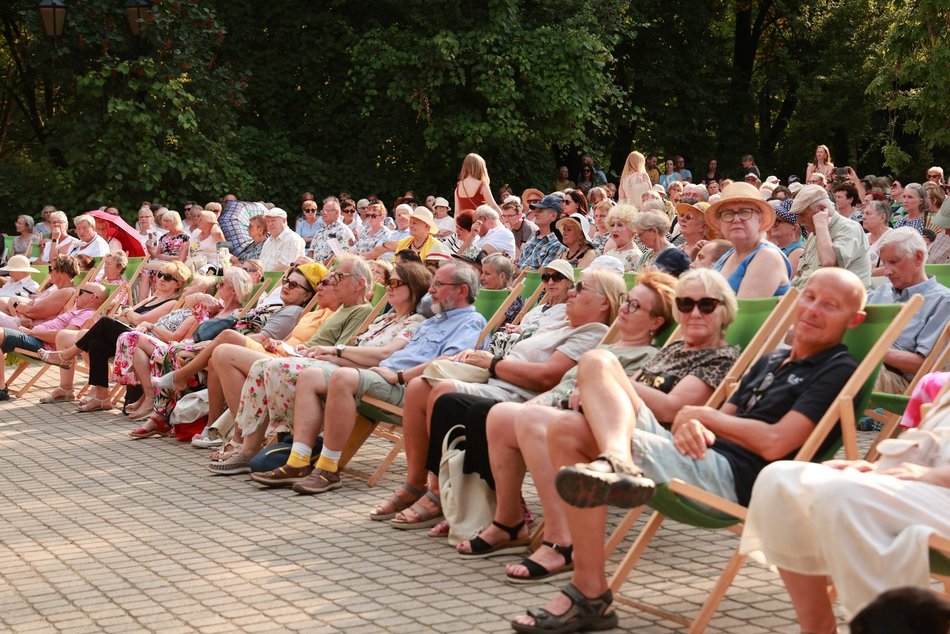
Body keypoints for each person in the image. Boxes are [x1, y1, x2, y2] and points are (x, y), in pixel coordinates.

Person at [516, 268, 867, 633]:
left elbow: (776, 441)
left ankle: (589, 584)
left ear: (854, 320)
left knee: (593, 374)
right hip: (702, 456)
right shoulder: (770, 361)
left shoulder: (837, 368)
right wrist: (697, 423)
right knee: (575, 405)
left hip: (735, 480)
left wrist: (699, 415)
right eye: (809, 298)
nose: (813, 310)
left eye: (830, 305)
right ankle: (593, 577)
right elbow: (720, 418)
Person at [459, 271, 676, 582]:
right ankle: (509, 522)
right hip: (552, 407)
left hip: (588, 425)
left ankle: (561, 540)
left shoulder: (648, 356)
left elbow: (627, 401)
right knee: (500, 416)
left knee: (524, 418)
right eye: (627, 302)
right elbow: (561, 384)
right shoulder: (605, 348)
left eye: (636, 307)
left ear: (656, 322)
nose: (625, 309)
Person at [376, 269, 624, 529]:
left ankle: (440, 494)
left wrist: (493, 363)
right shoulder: (559, 319)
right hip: (498, 379)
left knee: (444, 392)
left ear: (604, 301)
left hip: (519, 394)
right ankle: (416, 484)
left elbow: (547, 378)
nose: (569, 292)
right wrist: (479, 359)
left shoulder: (593, 332)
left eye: (580, 288)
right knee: (418, 388)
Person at [739, 386, 950, 632]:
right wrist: (878, 469)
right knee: (779, 479)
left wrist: (933, 475)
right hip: (927, 488)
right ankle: (818, 628)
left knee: (844, 494)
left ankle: (879, 627)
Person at [285, 263, 486, 496]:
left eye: (439, 285)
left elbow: (448, 362)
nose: (431, 290)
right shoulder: (432, 321)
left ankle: (328, 469)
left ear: (462, 291)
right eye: (432, 284)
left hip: (409, 387)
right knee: (310, 374)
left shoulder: (470, 322)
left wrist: (400, 375)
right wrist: (337, 356)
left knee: (342, 378)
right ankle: (298, 459)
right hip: (383, 375)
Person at [223, 262, 432, 480]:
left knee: (278, 367)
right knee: (261, 366)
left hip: (364, 375)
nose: (388, 287)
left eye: (396, 283)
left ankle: (286, 435)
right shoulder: (385, 319)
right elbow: (357, 350)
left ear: (415, 288)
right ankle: (249, 445)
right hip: (343, 366)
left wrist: (336, 352)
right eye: (388, 281)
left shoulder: (415, 322)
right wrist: (327, 354)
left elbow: (383, 356)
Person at [38, 261, 191, 412]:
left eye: (169, 277)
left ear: (178, 284)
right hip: (127, 336)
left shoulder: (171, 303)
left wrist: (130, 313)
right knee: (96, 343)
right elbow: (123, 316)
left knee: (105, 322)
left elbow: (136, 319)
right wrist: (129, 314)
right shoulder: (150, 299)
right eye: (160, 274)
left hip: (140, 339)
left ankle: (67, 355)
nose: (162, 279)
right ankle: (102, 396)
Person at [867, 228, 950, 393]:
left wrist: (870, 349)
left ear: (918, 257)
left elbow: (925, 364)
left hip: (901, 380)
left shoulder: (942, 301)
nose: (887, 271)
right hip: (869, 364)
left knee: (838, 368)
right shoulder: (883, 291)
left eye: (894, 262)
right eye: (885, 263)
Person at [0, 281, 109, 401]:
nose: (76, 295)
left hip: (42, 345)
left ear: (92, 297)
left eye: (81, 292)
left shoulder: (87, 314)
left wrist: (32, 332)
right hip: (35, 338)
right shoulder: (77, 311)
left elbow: (64, 336)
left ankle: (1, 389)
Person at [708, 182, 791, 297]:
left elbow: (742, 313)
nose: (736, 219)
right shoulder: (730, 254)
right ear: (720, 222)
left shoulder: (767, 256)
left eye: (744, 212)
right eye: (728, 213)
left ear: (760, 220)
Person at [790, 184, 871, 289]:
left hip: (843, 301)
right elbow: (801, 275)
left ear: (822, 209)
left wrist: (821, 225)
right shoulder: (814, 234)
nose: (798, 220)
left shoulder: (849, 228)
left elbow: (829, 264)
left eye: (802, 214)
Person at [490, 259, 573, 358]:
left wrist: (523, 332)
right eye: (546, 277)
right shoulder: (538, 309)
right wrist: (515, 329)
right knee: (501, 335)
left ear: (569, 281)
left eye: (557, 277)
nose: (550, 282)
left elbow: (554, 339)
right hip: (519, 352)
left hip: (537, 356)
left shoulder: (568, 312)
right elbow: (523, 328)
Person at [0, 255, 80, 326]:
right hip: (23, 321)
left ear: (63, 273)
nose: (49, 273)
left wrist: (15, 304)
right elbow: (31, 305)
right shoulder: (55, 288)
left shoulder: (65, 292)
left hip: (31, 327)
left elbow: (32, 312)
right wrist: (19, 310)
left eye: (51, 269)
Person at [141, 210, 189, 297]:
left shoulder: (185, 236)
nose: (164, 223)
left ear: (175, 221)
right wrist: (149, 247)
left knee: (159, 272)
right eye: (164, 221)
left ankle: (158, 299)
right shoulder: (164, 236)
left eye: (167, 221)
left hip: (176, 265)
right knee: (145, 272)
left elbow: (183, 257)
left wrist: (166, 257)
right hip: (163, 263)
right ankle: (141, 303)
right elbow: (157, 254)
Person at [518, 195, 566, 270]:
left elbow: (541, 277)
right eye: (536, 210)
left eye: (540, 211)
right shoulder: (534, 235)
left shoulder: (557, 244)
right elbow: (519, 264)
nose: (535, 214)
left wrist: (515, 271)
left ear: (553, 216)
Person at [308, 197, 356, 263]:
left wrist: (322, 266)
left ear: (336, 212)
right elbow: (311, 251)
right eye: (323, 211)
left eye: (327, 211)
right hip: (314, 268)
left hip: (331, 270)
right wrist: (310, 265)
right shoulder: (320, 231)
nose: (323, 213)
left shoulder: (343, 230)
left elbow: (340, 255)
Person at [259, 207, 306, 272]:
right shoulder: (269, 241)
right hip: (263, 279)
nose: (270, 224)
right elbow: (260, 263)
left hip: (280, 280)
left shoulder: (292, 239)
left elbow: (286, 269)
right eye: (268, 221)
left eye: (273, 221)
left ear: (284, 221)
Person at [861, 199, 894, 275]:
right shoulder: (864, 237)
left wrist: (864, 273)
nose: (863, 217)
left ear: (882, 217)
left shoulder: (892, 238)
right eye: (863, 213)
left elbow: (895, 266)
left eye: (868, 213)